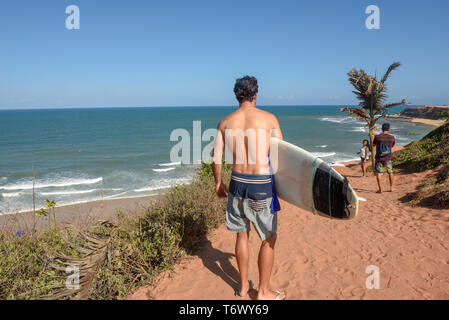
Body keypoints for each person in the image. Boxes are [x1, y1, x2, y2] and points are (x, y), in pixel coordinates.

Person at [212, 76, 286, 300]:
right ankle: (263, 291)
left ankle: (243, 286)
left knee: (241, 236)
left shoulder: (225, 122)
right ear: (256, 95)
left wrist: (218, 182)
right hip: (260, 185)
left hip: (236, 183)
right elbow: (281, 157)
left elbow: (216, 158)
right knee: (268, 238)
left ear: (237, 96)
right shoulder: (269, 119)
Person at [373, 123, 396, 193]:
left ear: (382, 129)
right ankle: (391, 188)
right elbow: (392, 146)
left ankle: (380, 189)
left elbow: (373, 144)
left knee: (379, 173)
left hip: (379, 158)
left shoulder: (377, 137)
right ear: (389, 129)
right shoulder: (392, 137)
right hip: (388, 158)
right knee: (390, 172)